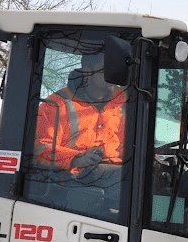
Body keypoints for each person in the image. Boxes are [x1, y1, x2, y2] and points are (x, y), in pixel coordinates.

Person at [34, 49, 127, 185]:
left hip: (111, 170)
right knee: (127, 178)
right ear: (87, 72)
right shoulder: (56, 104)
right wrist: (76, 158)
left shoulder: (122, 102)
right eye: (105, 70)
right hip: (71, 178)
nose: (112, 75)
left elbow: (128, 143)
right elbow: (40, 147)